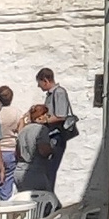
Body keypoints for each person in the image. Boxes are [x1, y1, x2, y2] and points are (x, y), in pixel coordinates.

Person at [31, 66, 76, 198]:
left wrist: (43, 121)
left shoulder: (59, 92)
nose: (39, 87)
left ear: (45, 80)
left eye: (39, 83)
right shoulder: (51, 94)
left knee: (49, 171)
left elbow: (61, 115)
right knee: (46, 171)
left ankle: (49, 202)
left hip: (56, 136)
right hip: (50, 135)